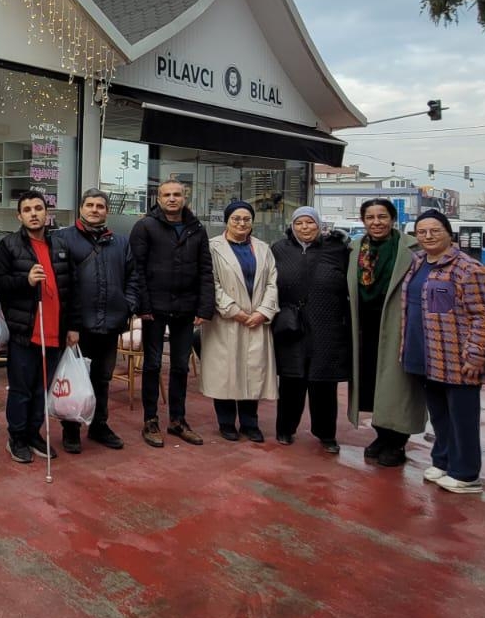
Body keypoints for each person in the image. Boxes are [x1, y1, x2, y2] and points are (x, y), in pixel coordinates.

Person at [401, 209, 485, 494]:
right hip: (426, 353)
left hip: (457, 357)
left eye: (435, 230)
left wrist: (477, 353)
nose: (428, 236)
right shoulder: (419, 262)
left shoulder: (469, 269)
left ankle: (466, 473)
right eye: (422, 232)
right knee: (440, 415)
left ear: (449, 233)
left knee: (463, 417)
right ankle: (443, 460)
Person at [128, 179, 215, 447]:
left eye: (177, 194)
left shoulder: (196, 228)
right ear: (158, 198)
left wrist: (204, 307)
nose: (172, 199)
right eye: (167, 195)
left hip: (186, 308)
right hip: (155, 307)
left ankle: (178, 420)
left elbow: (205, 270)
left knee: (180, 366)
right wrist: (143, 306)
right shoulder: (145, 227)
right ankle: (150, 420)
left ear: (185, 197)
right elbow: (136, 269)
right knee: (152, 365)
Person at [0, 190, 73, 464]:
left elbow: (71, 289)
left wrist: (72, 326)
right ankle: (17, 436)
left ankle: (34, 432)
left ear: (46, 212)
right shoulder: (9, 246)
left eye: (38, 208)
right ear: (20, 215)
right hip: (25, 331)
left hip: (55, 331)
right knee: (21, 389)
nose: (34, 213)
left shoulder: (60, 245)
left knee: (42, 389)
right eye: (27, 209)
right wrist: (24, 280)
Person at [346, 198, 425, 467]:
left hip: (398, 325)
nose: (376, 222)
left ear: (392, 219)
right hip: (365, 326)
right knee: (371, 384)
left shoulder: (412, 248)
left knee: (399, 385)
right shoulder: (356, 248)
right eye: (370, 217)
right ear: (363, 220)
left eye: (382, 217)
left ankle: (397, 440)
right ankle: (381, 434)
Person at [58, 190, 138, 451]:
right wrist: (70, 322)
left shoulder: (121, 242)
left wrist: (128, 306)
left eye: (100, 206)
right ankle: (71, 428)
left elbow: (133, 278)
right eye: (90, 205)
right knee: (75, 377)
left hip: (111, 322)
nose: (95, 209)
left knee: (102, 378)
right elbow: (61, 283)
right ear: (81, 208)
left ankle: (99, 425)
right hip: (77, 327)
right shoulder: (63, 238)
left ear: (107, 211)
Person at [269, 207, 350, 453]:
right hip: (291, 324)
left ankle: (326, 434)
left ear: (319, 224)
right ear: (292, 226)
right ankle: (285, 429)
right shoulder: (279, 249)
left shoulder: (336, 249)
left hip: (326, 325)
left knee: (323, 383)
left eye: (310, 223)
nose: (305, 228)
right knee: (291, 380)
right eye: (300, 223)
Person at [199, 200, 279, 441]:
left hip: (256, 319)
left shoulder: (264, 248)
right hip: (226, 320)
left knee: (253, 372)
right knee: (225, 373)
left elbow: (272, 282)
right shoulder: (212, 247)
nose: (241, 223)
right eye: (236, 219)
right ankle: (226, 423)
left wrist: (263, 311)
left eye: (246, 219)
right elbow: (210, 283)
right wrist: (235, 311)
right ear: (227, 221)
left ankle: (250, 423)